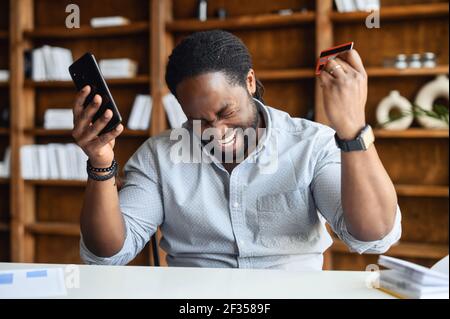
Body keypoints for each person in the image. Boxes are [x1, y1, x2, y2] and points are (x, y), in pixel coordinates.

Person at [73, 30, 401, 270]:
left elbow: (372, 236)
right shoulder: (159, 156)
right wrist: (101, 162)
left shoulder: (310, 144)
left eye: (225, 112)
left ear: (249, 81)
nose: (217, 132)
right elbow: (107, 253)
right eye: (199, 120)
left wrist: (353, 132)